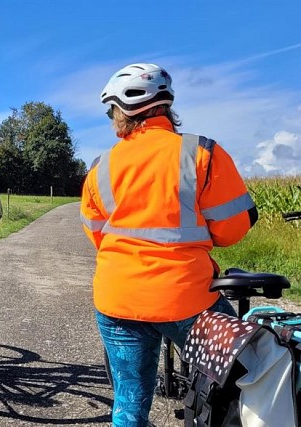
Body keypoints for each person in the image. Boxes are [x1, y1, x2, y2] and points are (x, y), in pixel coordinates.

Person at [80, 63, 258, 426]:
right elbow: (231, 230)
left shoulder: (101, 167)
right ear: (165, 107)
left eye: (111, 112)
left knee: (129, 402)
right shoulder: (202, 153)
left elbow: (97, 235)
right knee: (242, 381)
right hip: (188, 300)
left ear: (122, 112)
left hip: (118, 298)